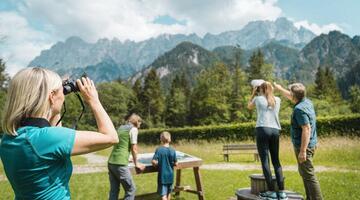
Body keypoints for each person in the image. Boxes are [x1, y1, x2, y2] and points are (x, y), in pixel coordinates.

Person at [0, 67, 119, 199]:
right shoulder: (46, 139)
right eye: (60, 91)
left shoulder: (10, 138)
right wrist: (93, 100)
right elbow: (111, 137)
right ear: (51, 96)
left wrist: (54, 106)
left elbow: (52, 133)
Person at [273, 82, 323, 200]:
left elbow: (306, 128)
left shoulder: (299, 109)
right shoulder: (306, 102)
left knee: (309, 175)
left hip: (304, 146)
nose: (289, 95)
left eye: (290, 92)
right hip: (311, 144)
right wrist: (280, 89)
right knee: (305, 174)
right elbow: (291, 96)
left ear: (294, 95)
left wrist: (303, 151)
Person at [247, 81, 287, 200]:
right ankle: (282, 192)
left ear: (260, 89)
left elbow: (249, 106)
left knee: (265, 161)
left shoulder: (258, 99)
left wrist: (253, 93)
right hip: (275, 130)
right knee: (276, 161)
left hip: (262, 129)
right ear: (271, 89)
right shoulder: (278, 100)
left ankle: (271, 191)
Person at [107, 113, 145, 200]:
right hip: (120, 164)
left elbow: (121, 145)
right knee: (131, 189)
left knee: (114, 190)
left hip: (111, 162)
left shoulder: (121, 128)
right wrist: (137, 163)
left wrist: (128, 158)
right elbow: (134, 148)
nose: (140, 125)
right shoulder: (133, 129)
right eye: (140, 123)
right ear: (136, 121)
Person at [152, 131, 178, 200]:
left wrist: (156, 164)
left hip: (162, 176)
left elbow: (154, 161)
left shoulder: (159, 150)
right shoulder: (172, 150)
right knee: (169, 193)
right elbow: (176, 163)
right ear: (170, 139)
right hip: (170, 175)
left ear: (161, 139)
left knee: (163, 195)